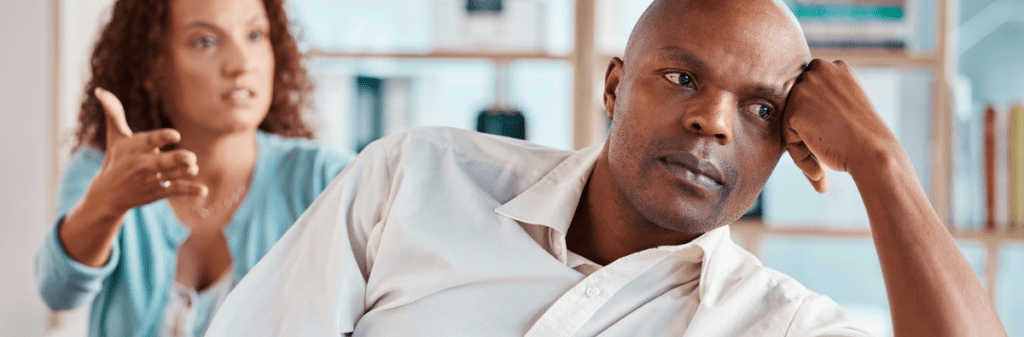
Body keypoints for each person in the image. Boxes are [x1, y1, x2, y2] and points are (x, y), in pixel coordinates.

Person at [207, 0, 1006, 335]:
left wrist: (882, 162)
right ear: (616, 86)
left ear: (787, 149)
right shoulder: (415, 179)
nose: (712, 120)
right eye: (683, 77)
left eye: (762, 109)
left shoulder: (777, 322)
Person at [33, 0, 353, 335]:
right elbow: (58, 294)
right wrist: (106, 206)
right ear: (152, 67)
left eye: (255, 35)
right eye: (206, 41)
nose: (241, 64)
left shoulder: (325, 178)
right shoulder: (105, 169)